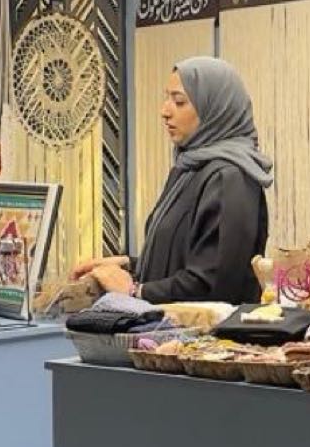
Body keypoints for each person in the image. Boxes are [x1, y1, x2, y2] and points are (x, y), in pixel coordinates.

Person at [72, 56, 272, 304]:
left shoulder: (229, 178)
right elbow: (180, 260)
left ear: (214, 109)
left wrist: (134, 291)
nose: (165, 111)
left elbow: (213, 285)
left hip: (205, 328)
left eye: (179, 102)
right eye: (167, 98)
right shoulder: (192, 168)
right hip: (172, 326)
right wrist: (127, 265)